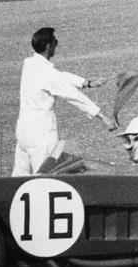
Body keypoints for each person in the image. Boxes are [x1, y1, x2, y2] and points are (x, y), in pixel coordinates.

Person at [12, 26, 116, 176]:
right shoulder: (47, 73)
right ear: (49, 46)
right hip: (40, 134)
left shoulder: (29, 64)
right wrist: (101, 115)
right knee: (44, 178)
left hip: (23, 132)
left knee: (18, 178)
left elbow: (59, 76)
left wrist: (86, 82)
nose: (57, 44)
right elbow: (71, 94)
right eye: (56, 42)